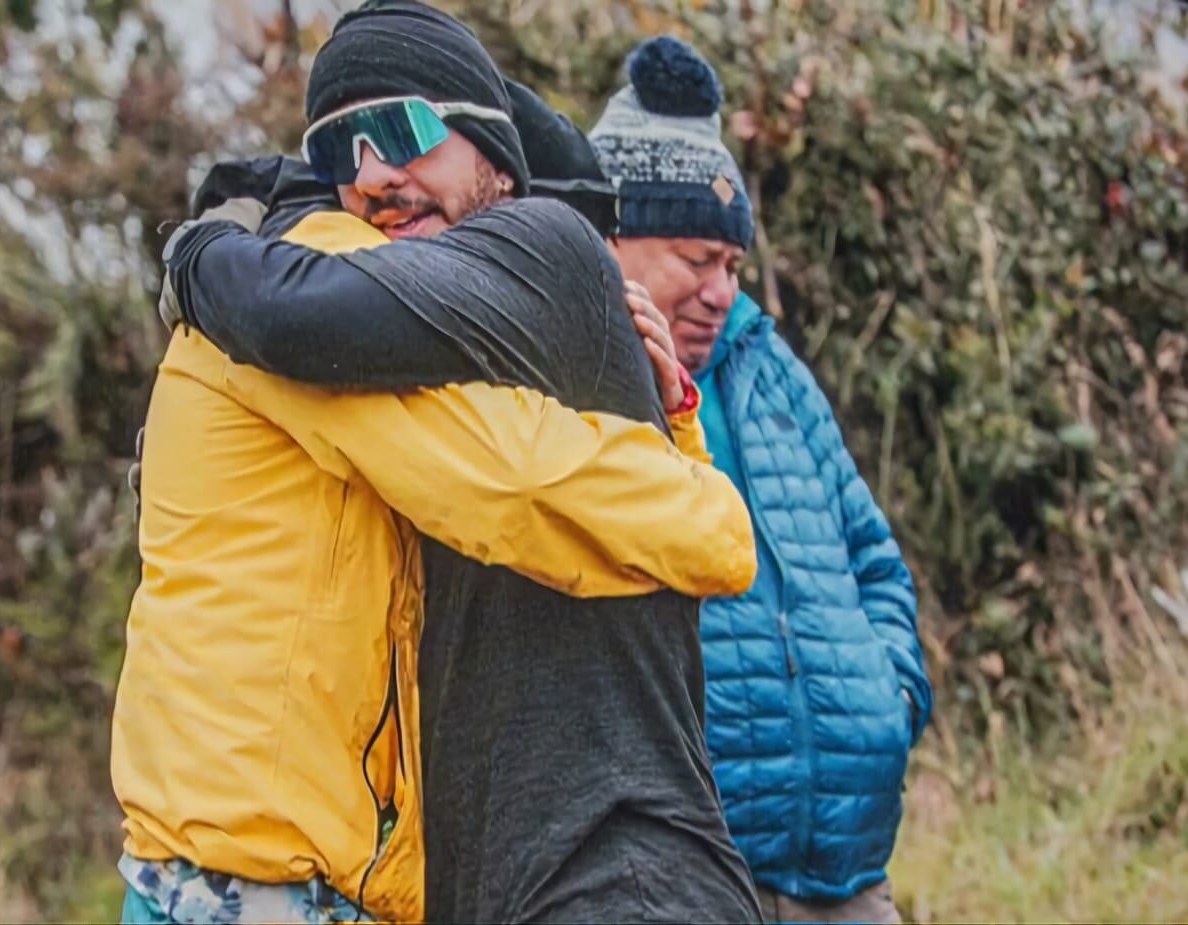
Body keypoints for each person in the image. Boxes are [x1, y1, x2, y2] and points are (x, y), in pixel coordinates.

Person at [112, 5, 758, 925]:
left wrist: (679, 419)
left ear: (490, 142)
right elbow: (515, 483)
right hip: (263, 891)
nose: (372, 173)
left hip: (309, 881)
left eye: (403, 129)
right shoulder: (309, 299)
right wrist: (710, 510)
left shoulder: (448, 289)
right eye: (341, 152)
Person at [589, 36, 935, 924]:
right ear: (612, 238)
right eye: (695, 259)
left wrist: (887, 700)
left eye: (733, 265)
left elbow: (874, 561)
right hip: (693, 875)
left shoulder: (770, 366)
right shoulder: (576, 381)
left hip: (848, 867)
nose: (719, 290)